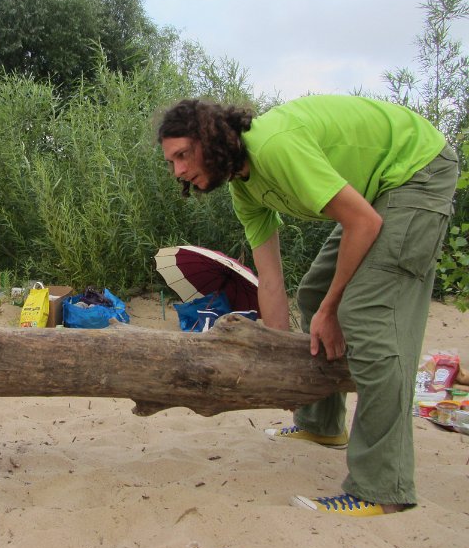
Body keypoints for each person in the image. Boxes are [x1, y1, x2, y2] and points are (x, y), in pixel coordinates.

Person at [157, 95, 458, 517]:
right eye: (171, 162)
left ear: (211, 138)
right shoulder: (245, 189)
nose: (178, 171)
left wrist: (332, 311)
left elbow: (363, 222)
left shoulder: (274, 147)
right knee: (314, 293)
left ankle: (382, 489)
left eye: (183, 155)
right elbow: (271, 281)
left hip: (416, 171)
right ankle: (321, 424)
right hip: (378, 192)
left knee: (368, 316)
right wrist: (276, 363)